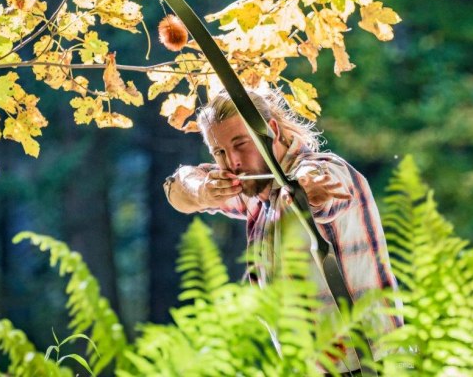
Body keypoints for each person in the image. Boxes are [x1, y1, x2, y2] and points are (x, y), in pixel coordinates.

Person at [163, 88, 403, 374]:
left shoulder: (329, 170)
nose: (232, 162)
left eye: (241, 143)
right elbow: (176, 190)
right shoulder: (254, 194)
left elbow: (321, 184)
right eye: (220, 152)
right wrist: (202, 190)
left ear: (273, 131)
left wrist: (309, 190)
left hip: (373, 365)